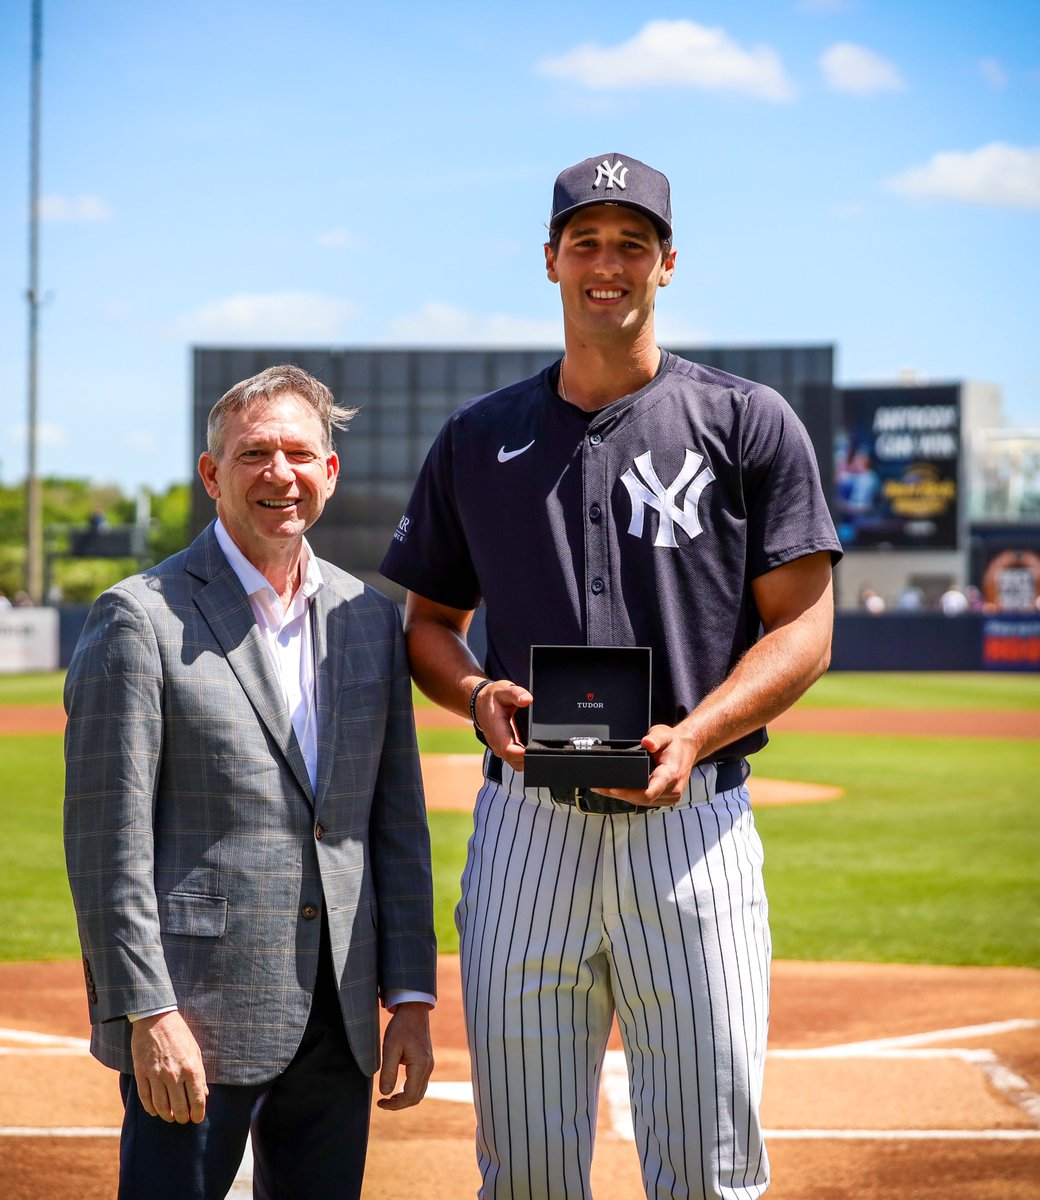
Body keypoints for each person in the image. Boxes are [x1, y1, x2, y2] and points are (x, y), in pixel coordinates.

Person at [380, 153, 841, 1199]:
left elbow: (804, 629)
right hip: (526, 830)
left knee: (710, 1172)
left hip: (696, 829)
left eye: (631, 243)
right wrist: (473, 695)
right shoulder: (477, 437)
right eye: (584, 241)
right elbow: (431, 627)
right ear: (549, 260)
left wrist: (697, 733)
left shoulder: (747, 422)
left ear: (667, 263)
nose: (607, 263)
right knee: (531, 1175)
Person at [65, 365, 436, 1200]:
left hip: (339, 1018)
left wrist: (409, 994)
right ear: (211, 475)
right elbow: (105, 845)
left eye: (300, 454)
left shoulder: (369, 619)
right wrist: (145, 1012)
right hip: (195, 1017)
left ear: (330, 474)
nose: (280, 474)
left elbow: (396, 825)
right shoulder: (140, 617)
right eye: (253, 453)